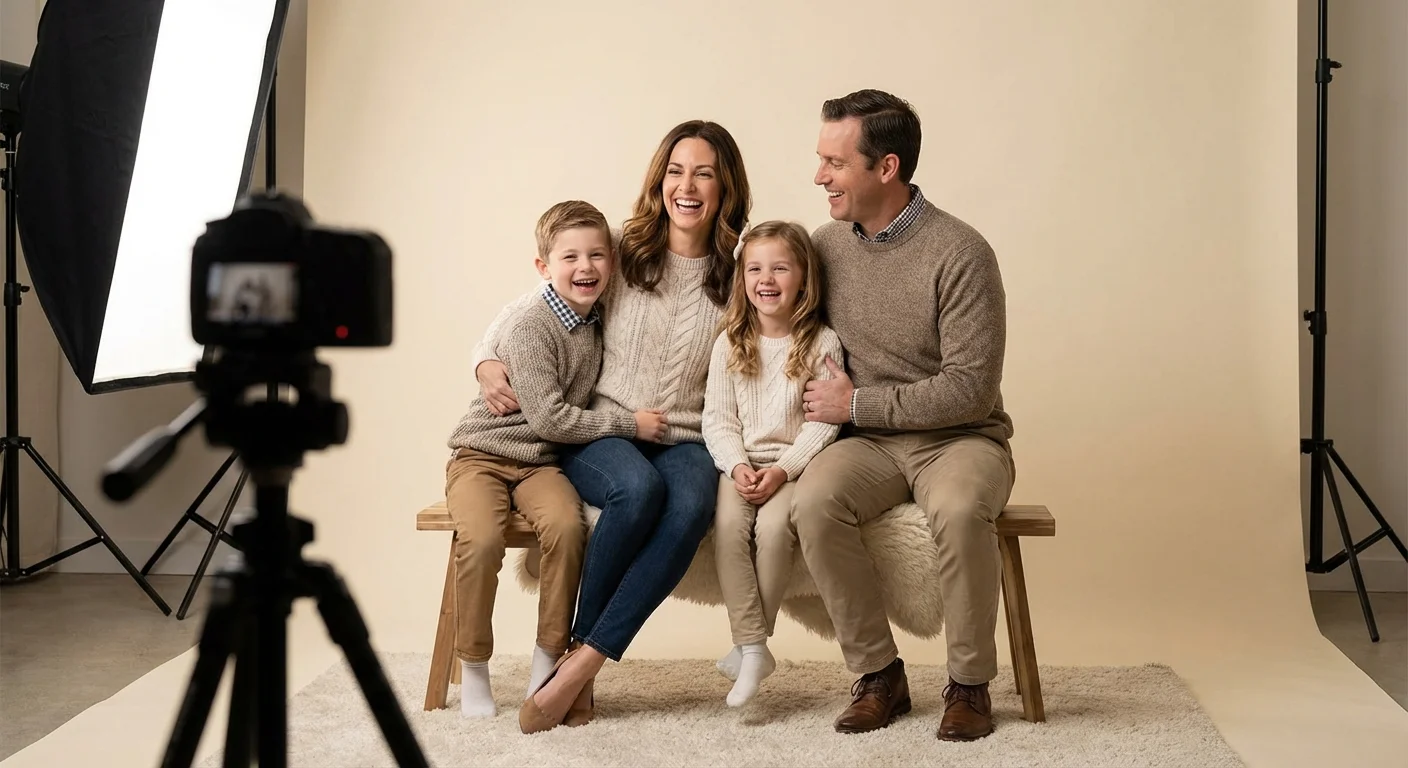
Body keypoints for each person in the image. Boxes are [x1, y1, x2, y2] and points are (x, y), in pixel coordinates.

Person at [468, 121, 752, 732]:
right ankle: (580, 664)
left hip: (688, 437)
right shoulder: (624, 249)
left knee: (692, 502)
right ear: (660, 179)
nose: (687, 186)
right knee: (637, 491)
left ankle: (581, 662)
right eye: (676, 171)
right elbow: (531, 304)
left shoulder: (739, 271)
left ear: (726, 185)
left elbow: (785, 333)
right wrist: (486, 358)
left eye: (704, 172)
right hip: (601, 430)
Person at [794, 89, 1016, 742]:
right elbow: (768, 312)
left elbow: (969, 391)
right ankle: (878, 674)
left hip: (960, 440)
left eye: (834, 163)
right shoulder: (824, 248)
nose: (819, 177)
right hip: (868, 446)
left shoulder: (961, 253)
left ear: (885, 168)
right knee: (815, 501)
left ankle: (969, 685)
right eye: (820, 160)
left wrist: (856, 403)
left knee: (955, 509)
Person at [442, 200, 663, 722]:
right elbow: (550, 421)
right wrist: (630, 425)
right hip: (483, 456)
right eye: (570, 257)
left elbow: (548, 439)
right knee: (482, 538)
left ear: (612, 262)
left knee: (567, 528)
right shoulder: (530, 325)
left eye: (596, 256)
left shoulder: (599, 316)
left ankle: (549, 658)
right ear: (544, 267)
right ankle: (473, 663)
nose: (584, 268)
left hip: (541, 465)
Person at [702, 220, 844, 707]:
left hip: (792, 467)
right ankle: (754, 645)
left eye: (780, 268)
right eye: (755, 268)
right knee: (727, 528)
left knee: (776, 530)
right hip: (740, 463)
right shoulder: (729, 342)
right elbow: (718, 420)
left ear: (803, 277)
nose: (767, 279)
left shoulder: (821, 343)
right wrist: (736, 465)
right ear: (743, 277)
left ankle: (749, 648)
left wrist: (783, 470)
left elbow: (823, 423)